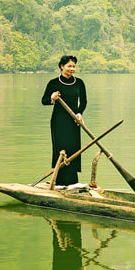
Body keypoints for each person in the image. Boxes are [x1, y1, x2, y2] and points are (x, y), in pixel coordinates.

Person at [41, 55, 87, 186]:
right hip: (58, 121)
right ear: (62, 66)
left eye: (74, 66)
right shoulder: (53, 83)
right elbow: (44, 101)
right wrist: (52, 98)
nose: (72, 69)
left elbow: (84, 102)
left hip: (74, 120)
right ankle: (59, 181)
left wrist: (79, 113)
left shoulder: (79, 83)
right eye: (69, 66)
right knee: (60, 149)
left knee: (73, 149)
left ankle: (72, 182)